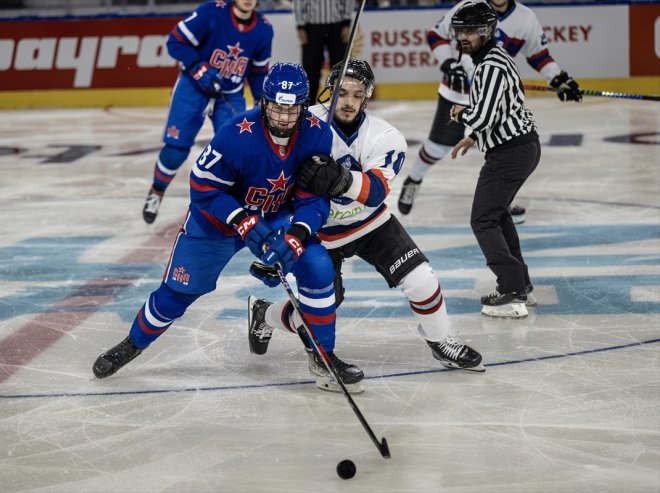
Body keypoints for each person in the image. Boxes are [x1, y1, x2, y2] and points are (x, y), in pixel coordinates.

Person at [94, 63, 365, 391]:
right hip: (218, 223)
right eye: (277, 108)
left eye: (292, 109)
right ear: (264, 103)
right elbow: (203, 187)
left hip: (276, 214)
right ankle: (133, 343)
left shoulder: (317, 132)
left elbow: (313, 197)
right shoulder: (236, 134)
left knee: (318, 266)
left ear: (303, 106)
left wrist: (297, 235)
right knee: (176, 294)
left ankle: (323, 355)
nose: (283, 118)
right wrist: (242, 220)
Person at [247, 59, 485, 385]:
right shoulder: (302, 124)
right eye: (341, 92)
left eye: (357, 95)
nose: (347, 101)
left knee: (422, 280)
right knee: (319, 307)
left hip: (370, 223)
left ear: (367, 97)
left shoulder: (385, 137)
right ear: (329, 92)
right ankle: (265, 313)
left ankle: (440, 340)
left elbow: (374, 193)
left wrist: (339, 179)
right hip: (316, 232)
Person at [397, 0, 581, 224]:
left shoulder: (526, 18)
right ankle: (414, 179)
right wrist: (447, 63)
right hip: (457, 92)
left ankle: (502, 201)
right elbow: (436, 35)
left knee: (504, 147)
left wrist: (558, 78)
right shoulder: (468, 7)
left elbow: (538, 55)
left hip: (494, 93)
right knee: (440, 145)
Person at [447, 2, 540, 319]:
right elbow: (494, 112)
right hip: (515, 149)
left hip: (512, 152)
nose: (463, 36)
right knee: (497, 215)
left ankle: (512, 290)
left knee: (483, 219)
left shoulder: (490, 65)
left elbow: (483, 115)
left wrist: (462, 115)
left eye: (469, 30)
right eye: (459, 30)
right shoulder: (491, 59)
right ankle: (521, 286)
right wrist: (472, 136)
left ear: (486, 30)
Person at [142, 0, 273, 224]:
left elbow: (259, 70)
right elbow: (176, 42)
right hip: (193, 87)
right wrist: (197, 66)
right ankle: (157, 190)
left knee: (237, 150)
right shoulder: (212, 11)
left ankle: (232, 207)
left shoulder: (263, 28)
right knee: (176, 150)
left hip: (230, 94)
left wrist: (261, 98)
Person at [293, 0, 355, 103]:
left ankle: (340, 103)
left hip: (337, 26)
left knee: (340, 69)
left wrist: (347, 23)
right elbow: (299, 2)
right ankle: (309, 105)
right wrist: (300, 26)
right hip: (312, 27)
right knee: (311, 69)